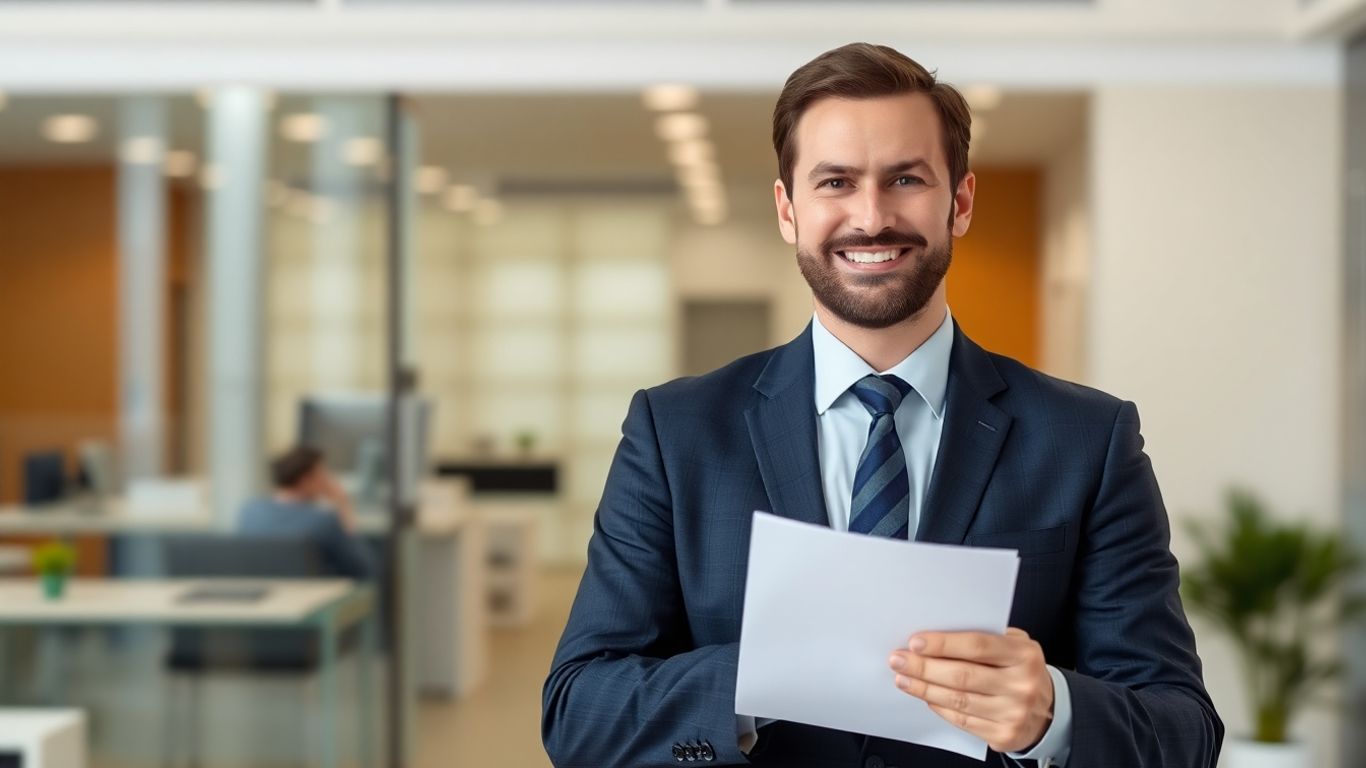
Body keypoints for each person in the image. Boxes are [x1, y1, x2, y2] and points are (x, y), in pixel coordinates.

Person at [542, 43, 1222, 768]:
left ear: (957, 202)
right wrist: (768, 674)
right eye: (835, 181)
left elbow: (1183, 731)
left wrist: (1053, 712)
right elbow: (581, 712)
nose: (871, 217)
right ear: (788, 209)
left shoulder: (1089, 439)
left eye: (905, 178)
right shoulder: (674, 433)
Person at [238, 445, 375, 580]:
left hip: (270, 596)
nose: (327, 481)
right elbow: (363, 568)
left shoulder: (250, 511)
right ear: (306, 480)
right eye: (323, 475)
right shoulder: (323, 521)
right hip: (318, 596)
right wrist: (344, 505)